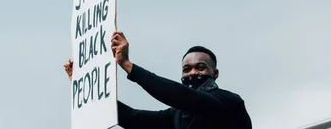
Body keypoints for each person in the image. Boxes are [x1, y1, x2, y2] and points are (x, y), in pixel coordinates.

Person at [62, 31, 252, 129]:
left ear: (215, 73)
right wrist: (84, 88)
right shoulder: (176, 116)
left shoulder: (230, 103)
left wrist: (128, 66)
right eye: (187, 69)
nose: (192, 73)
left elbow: (187, 97)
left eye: (200, 67)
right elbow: (133, 118)